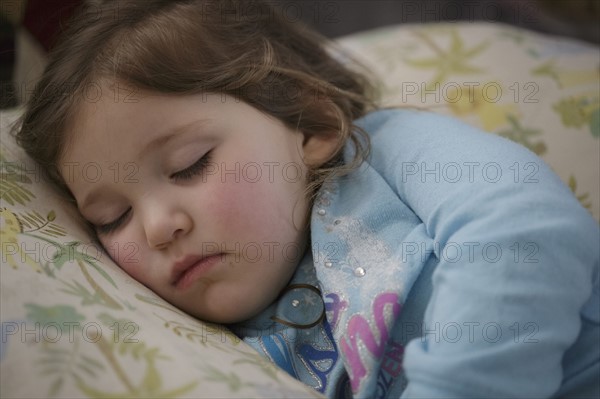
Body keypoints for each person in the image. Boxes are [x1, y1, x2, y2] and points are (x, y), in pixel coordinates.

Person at [15, 1, 599, 397]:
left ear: (310, 122)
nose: (157, 226)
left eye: (189, 165)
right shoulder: (222, 351)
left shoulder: (386, 154)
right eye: (111, 218)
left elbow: (522, 230)